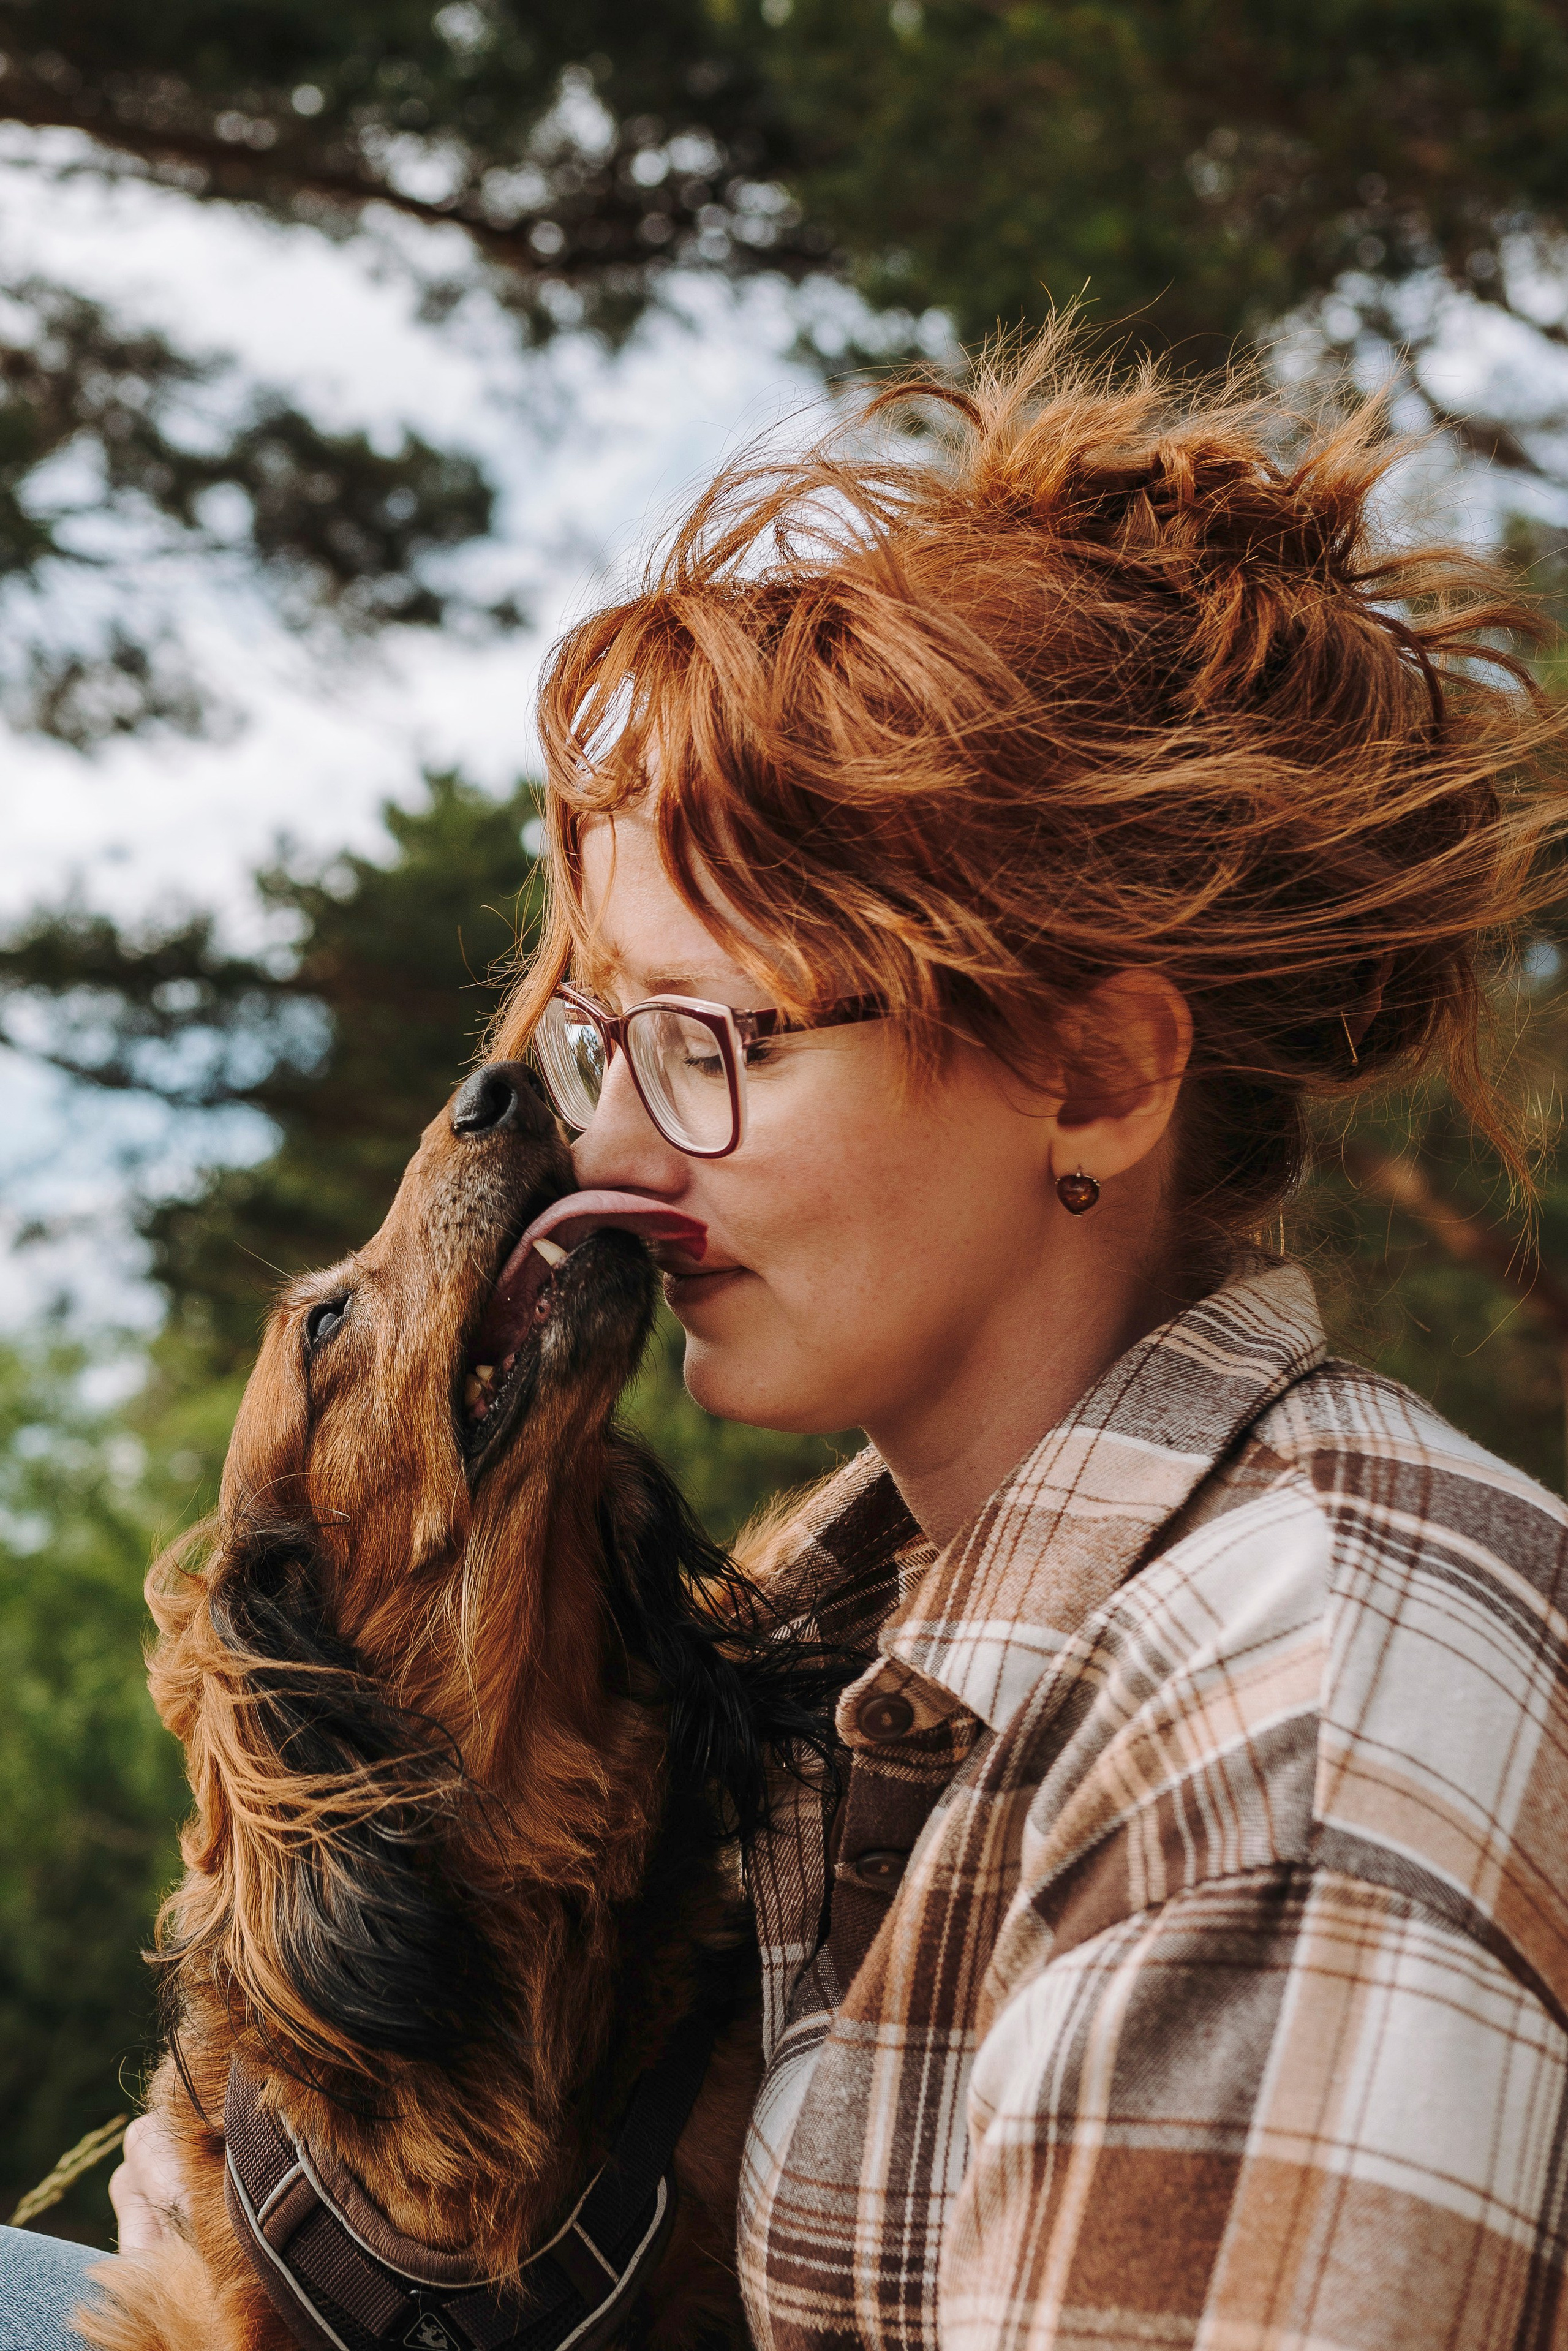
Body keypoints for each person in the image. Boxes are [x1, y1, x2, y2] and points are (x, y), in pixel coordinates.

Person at [54, 329, 1568, 2349]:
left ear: (1096, 1076)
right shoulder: (850, 1638)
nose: (606, 1148)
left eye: (719, 1042)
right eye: (607, 1040)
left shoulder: (1291, 1732)